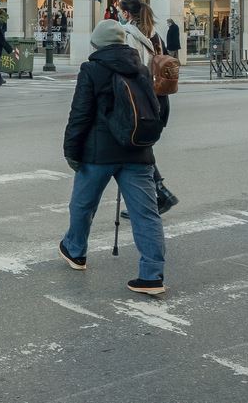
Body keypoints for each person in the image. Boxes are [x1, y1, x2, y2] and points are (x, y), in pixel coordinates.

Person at [60, 19, 167, 296]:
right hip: (138, 151)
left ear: (97, 43)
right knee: (146, 215)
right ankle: (152, 275)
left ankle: (76, 251)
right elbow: (159, 110)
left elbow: (80, 114)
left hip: (99, 153)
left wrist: (71, 151)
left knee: (83, 205)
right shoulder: (141, 69)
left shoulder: (92, 69)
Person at [117, 0, 179, 216]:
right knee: (140, 148)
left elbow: (133, 69)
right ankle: (160, 193)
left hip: (142, 100)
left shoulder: (129, 35)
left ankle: (158, 195)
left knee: (135, 149)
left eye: (120, 11)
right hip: (160, 100)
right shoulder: (155, 34)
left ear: (126, 14)